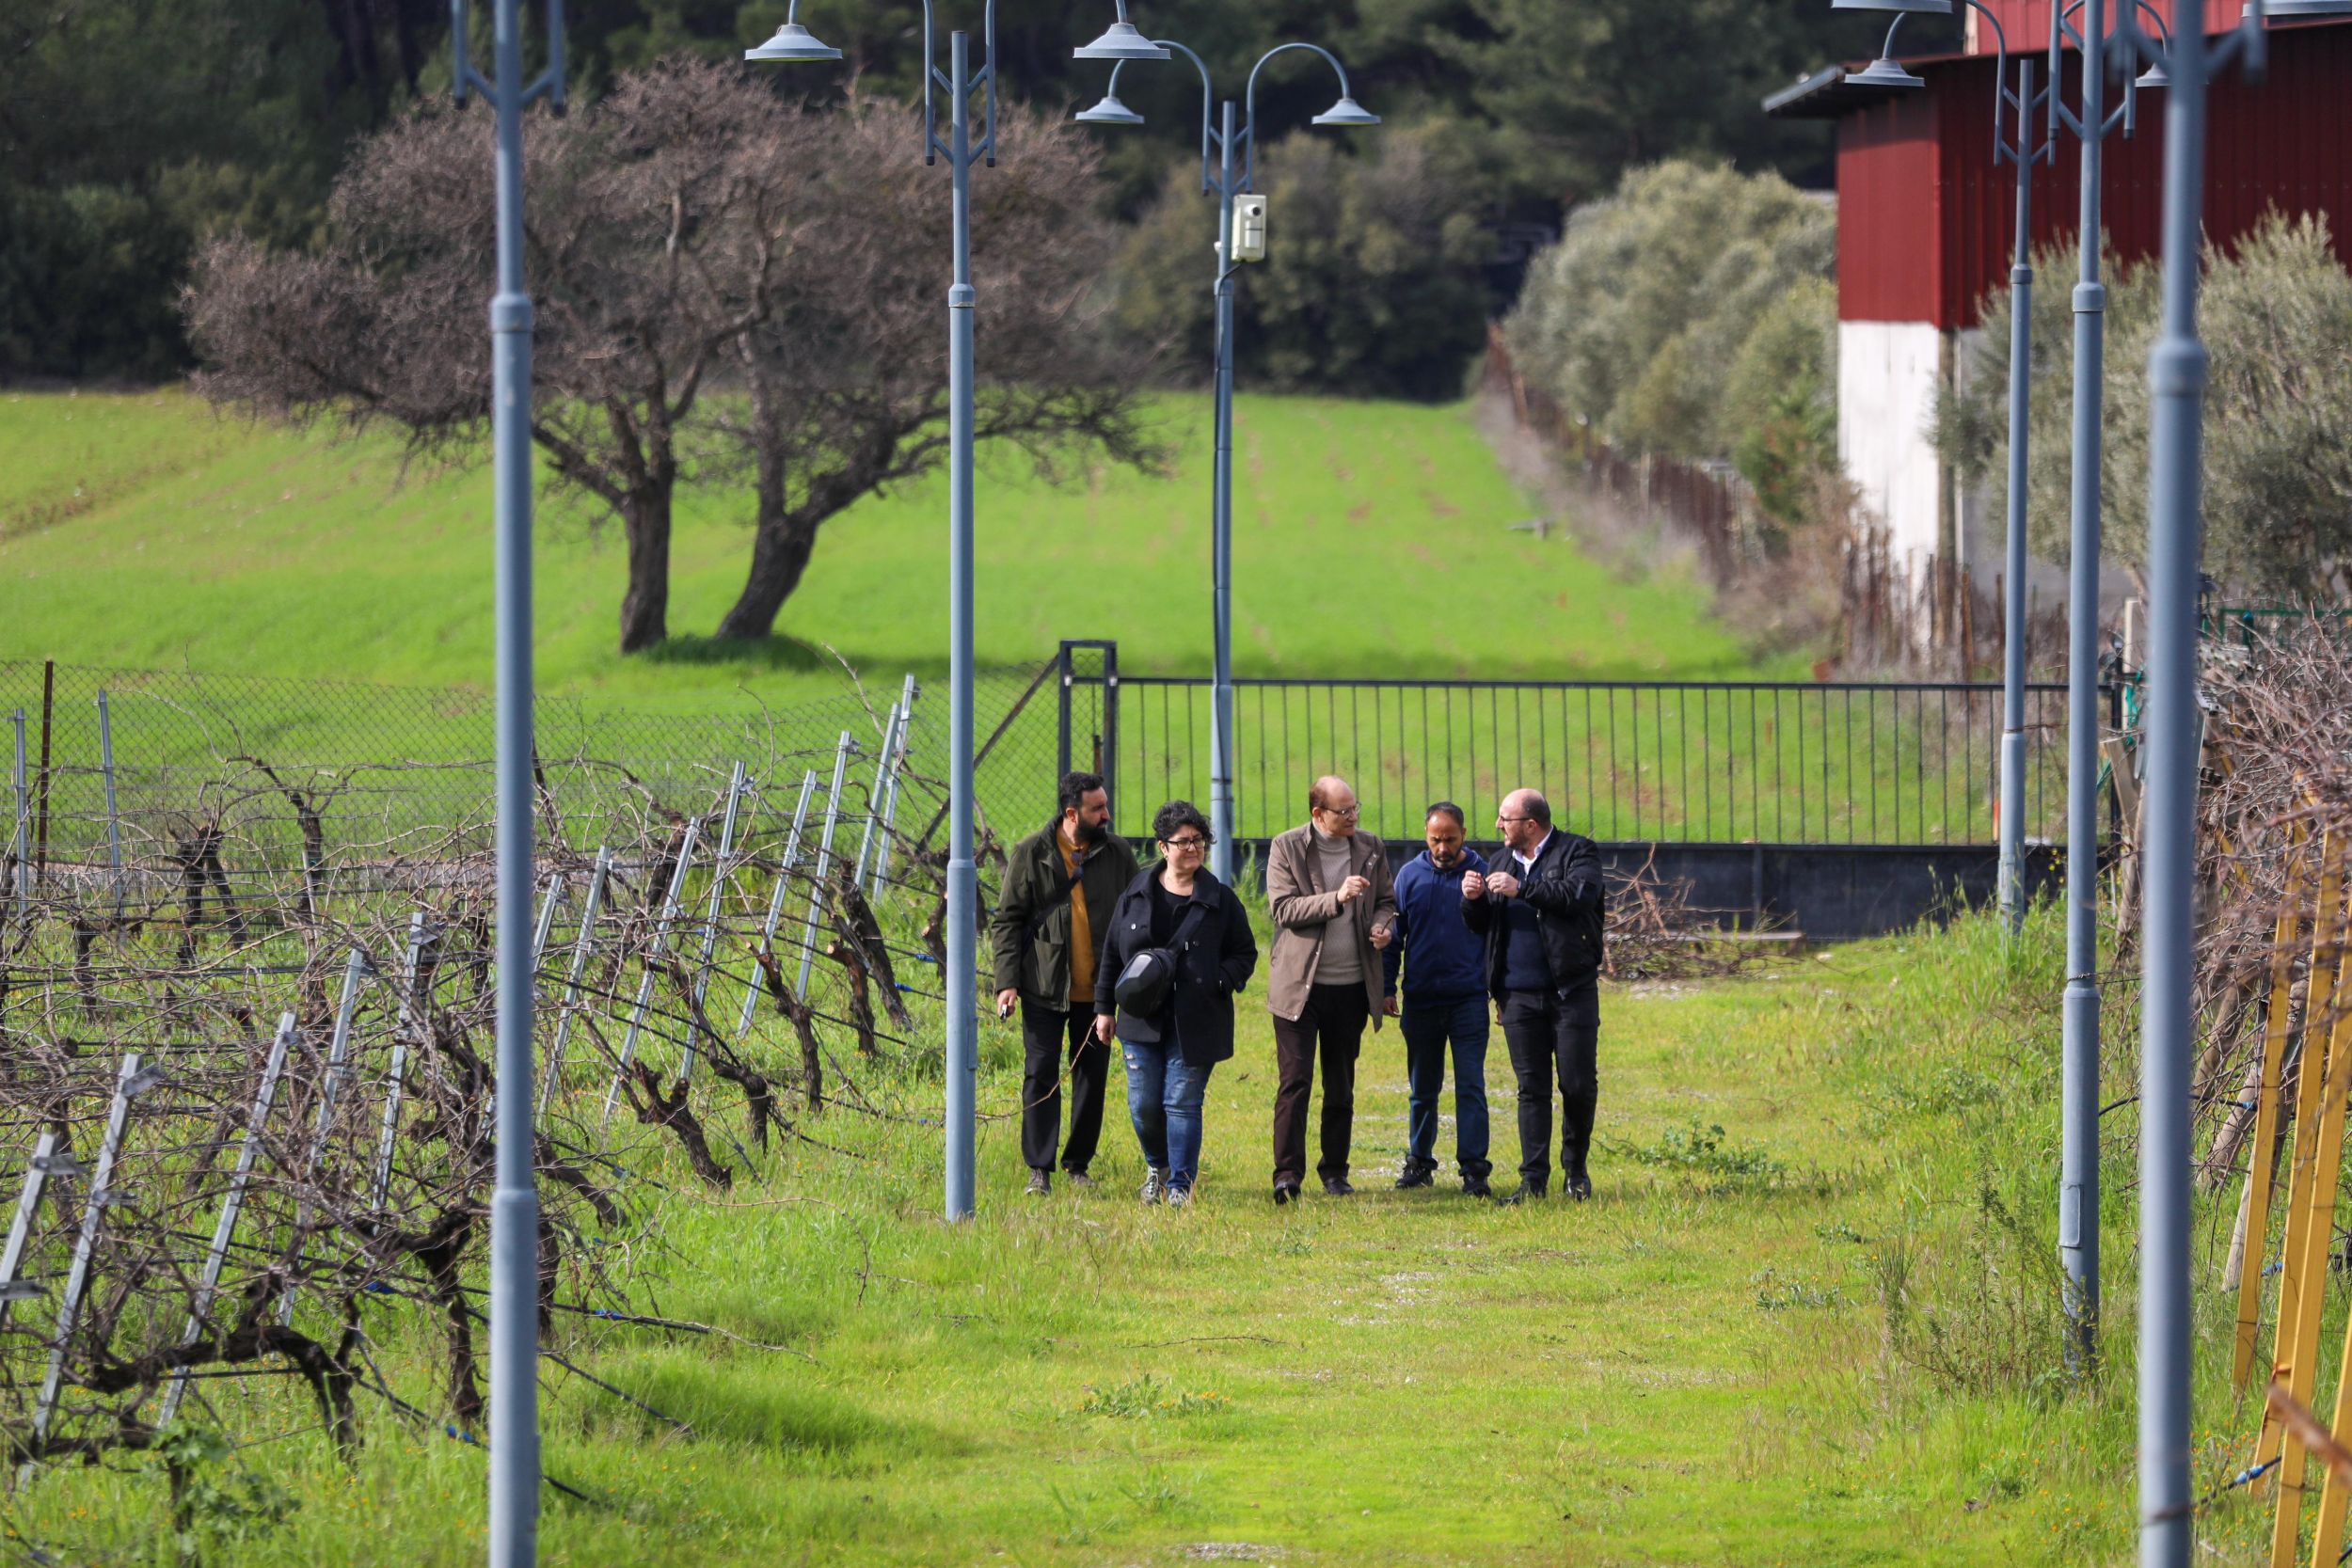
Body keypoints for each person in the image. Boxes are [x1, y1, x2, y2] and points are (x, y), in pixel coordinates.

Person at [1093, 800, 1258, 1207]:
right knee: (1144, 1105)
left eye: (1198, 841)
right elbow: (1112, 953)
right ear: (1163, 847)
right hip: (1140, 1018)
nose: (1192, 849)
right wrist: (1103, 1008)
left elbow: (1245, 953)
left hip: (1196, 1018)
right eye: (1183, 842)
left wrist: (1220, 980)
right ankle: (1158, 1166)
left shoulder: (1220, 899)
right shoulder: (1135, 895)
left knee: (1181, 1104)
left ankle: (1181, 1185)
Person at [990, 770, 1140, 1196]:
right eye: (1099, 808)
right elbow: (1008, 923)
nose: (1107, 814)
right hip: (1042, 987)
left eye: (1106, 805)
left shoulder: (1118, 854)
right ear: (1072, 813)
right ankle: (1039, 1169)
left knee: (1091, 1078)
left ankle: (1078, 1165)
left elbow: (1135, 915)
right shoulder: (1031, 853)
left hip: (1099, 994)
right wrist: (1007, 983)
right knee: (1040, 1075)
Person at [1463, 787, 1605, 1203]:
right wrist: (1472, 901)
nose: (1497, 825)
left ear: (1530, 824)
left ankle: (1575, 1169)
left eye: (1504, 818)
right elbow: (1485, 924)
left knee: (1577, 1084)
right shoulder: (1500, 861)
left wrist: (1523, 888)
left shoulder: (1578, 852)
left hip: (1571, 990)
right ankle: (1533, 1181)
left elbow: (1579, 897)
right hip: (1518, 994)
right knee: (1531, 1088)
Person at [1264, 775, 1396, 1203]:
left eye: (1356, 808)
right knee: (1296, 1081)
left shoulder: (1371, 847)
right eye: (1344, 812)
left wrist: (1382, 926)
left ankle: (1336, 1172)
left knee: (1340, 1085)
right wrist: (1336, 898)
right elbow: (1283, 909)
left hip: (1351, 987)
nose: (1353, 817)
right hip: (1299, 989)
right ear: (1317, 814)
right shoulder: (1287, 847)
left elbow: (1387, 901)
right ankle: (1287, 1175)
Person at [1379, 802, 1492, 1196]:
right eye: (1435, 839)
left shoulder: (1484, 875)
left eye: (1450, 839)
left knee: (1471, 1086)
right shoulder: (1409, 877)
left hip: (1469, 1000)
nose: (1443, 847)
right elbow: (1394, 938)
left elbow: (1496, 932)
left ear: (1464, 834)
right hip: (1422, 999)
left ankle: (1475, 1169)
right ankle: (1419, 1162)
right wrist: (1386, 987)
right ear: (1425, 836)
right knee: (1422, 1087)